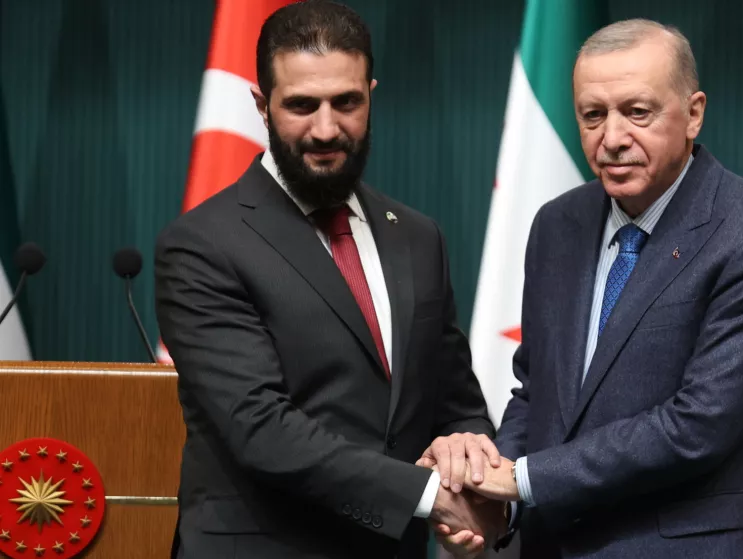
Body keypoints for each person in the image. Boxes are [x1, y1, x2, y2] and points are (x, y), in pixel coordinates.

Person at [431, 19, 743, 558]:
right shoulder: (557, 225)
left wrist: (522, 479)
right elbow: (538, 392)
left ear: (693, 113)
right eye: (593, 115)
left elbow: (697, 426)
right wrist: (491, 502)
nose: (612, 138)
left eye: (637, 112)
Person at [154, 2, 503, 557]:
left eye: (346, 102)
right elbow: (260, 428)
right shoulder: (203, 244)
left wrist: (469, 454)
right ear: (261, 106)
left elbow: (453, 397)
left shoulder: (416, 236)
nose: (325, 128)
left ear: (371, 94)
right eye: (300, 105)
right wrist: (430, 494)